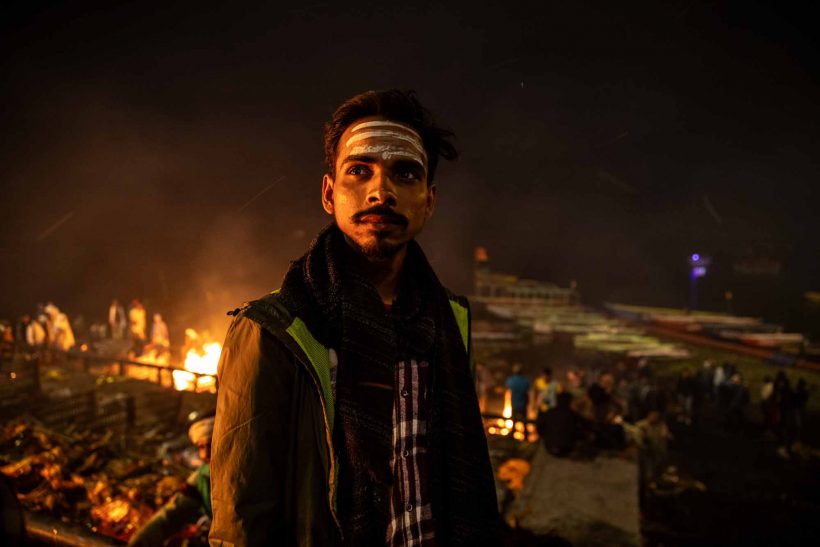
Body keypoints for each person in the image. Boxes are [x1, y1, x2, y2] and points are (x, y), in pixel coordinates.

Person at [209, 90, 499, 546]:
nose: (380, 192)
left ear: (429, 200)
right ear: (329, 193)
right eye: (359, 171)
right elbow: (242, 518)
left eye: (405, 174)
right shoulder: (274, 328)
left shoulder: (452, 320)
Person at [129, 413, 214, 546]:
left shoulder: (248, 476)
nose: (205, 454)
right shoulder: (202, 475)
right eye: (201, 447)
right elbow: (173, 513)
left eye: (212, 445)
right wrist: (139, 542)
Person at [537, 392, 588, 457]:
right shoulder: (572, 414)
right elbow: (585, 425)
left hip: (549, 446)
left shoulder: (549, 412)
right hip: (566, 448)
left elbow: (540, 427)